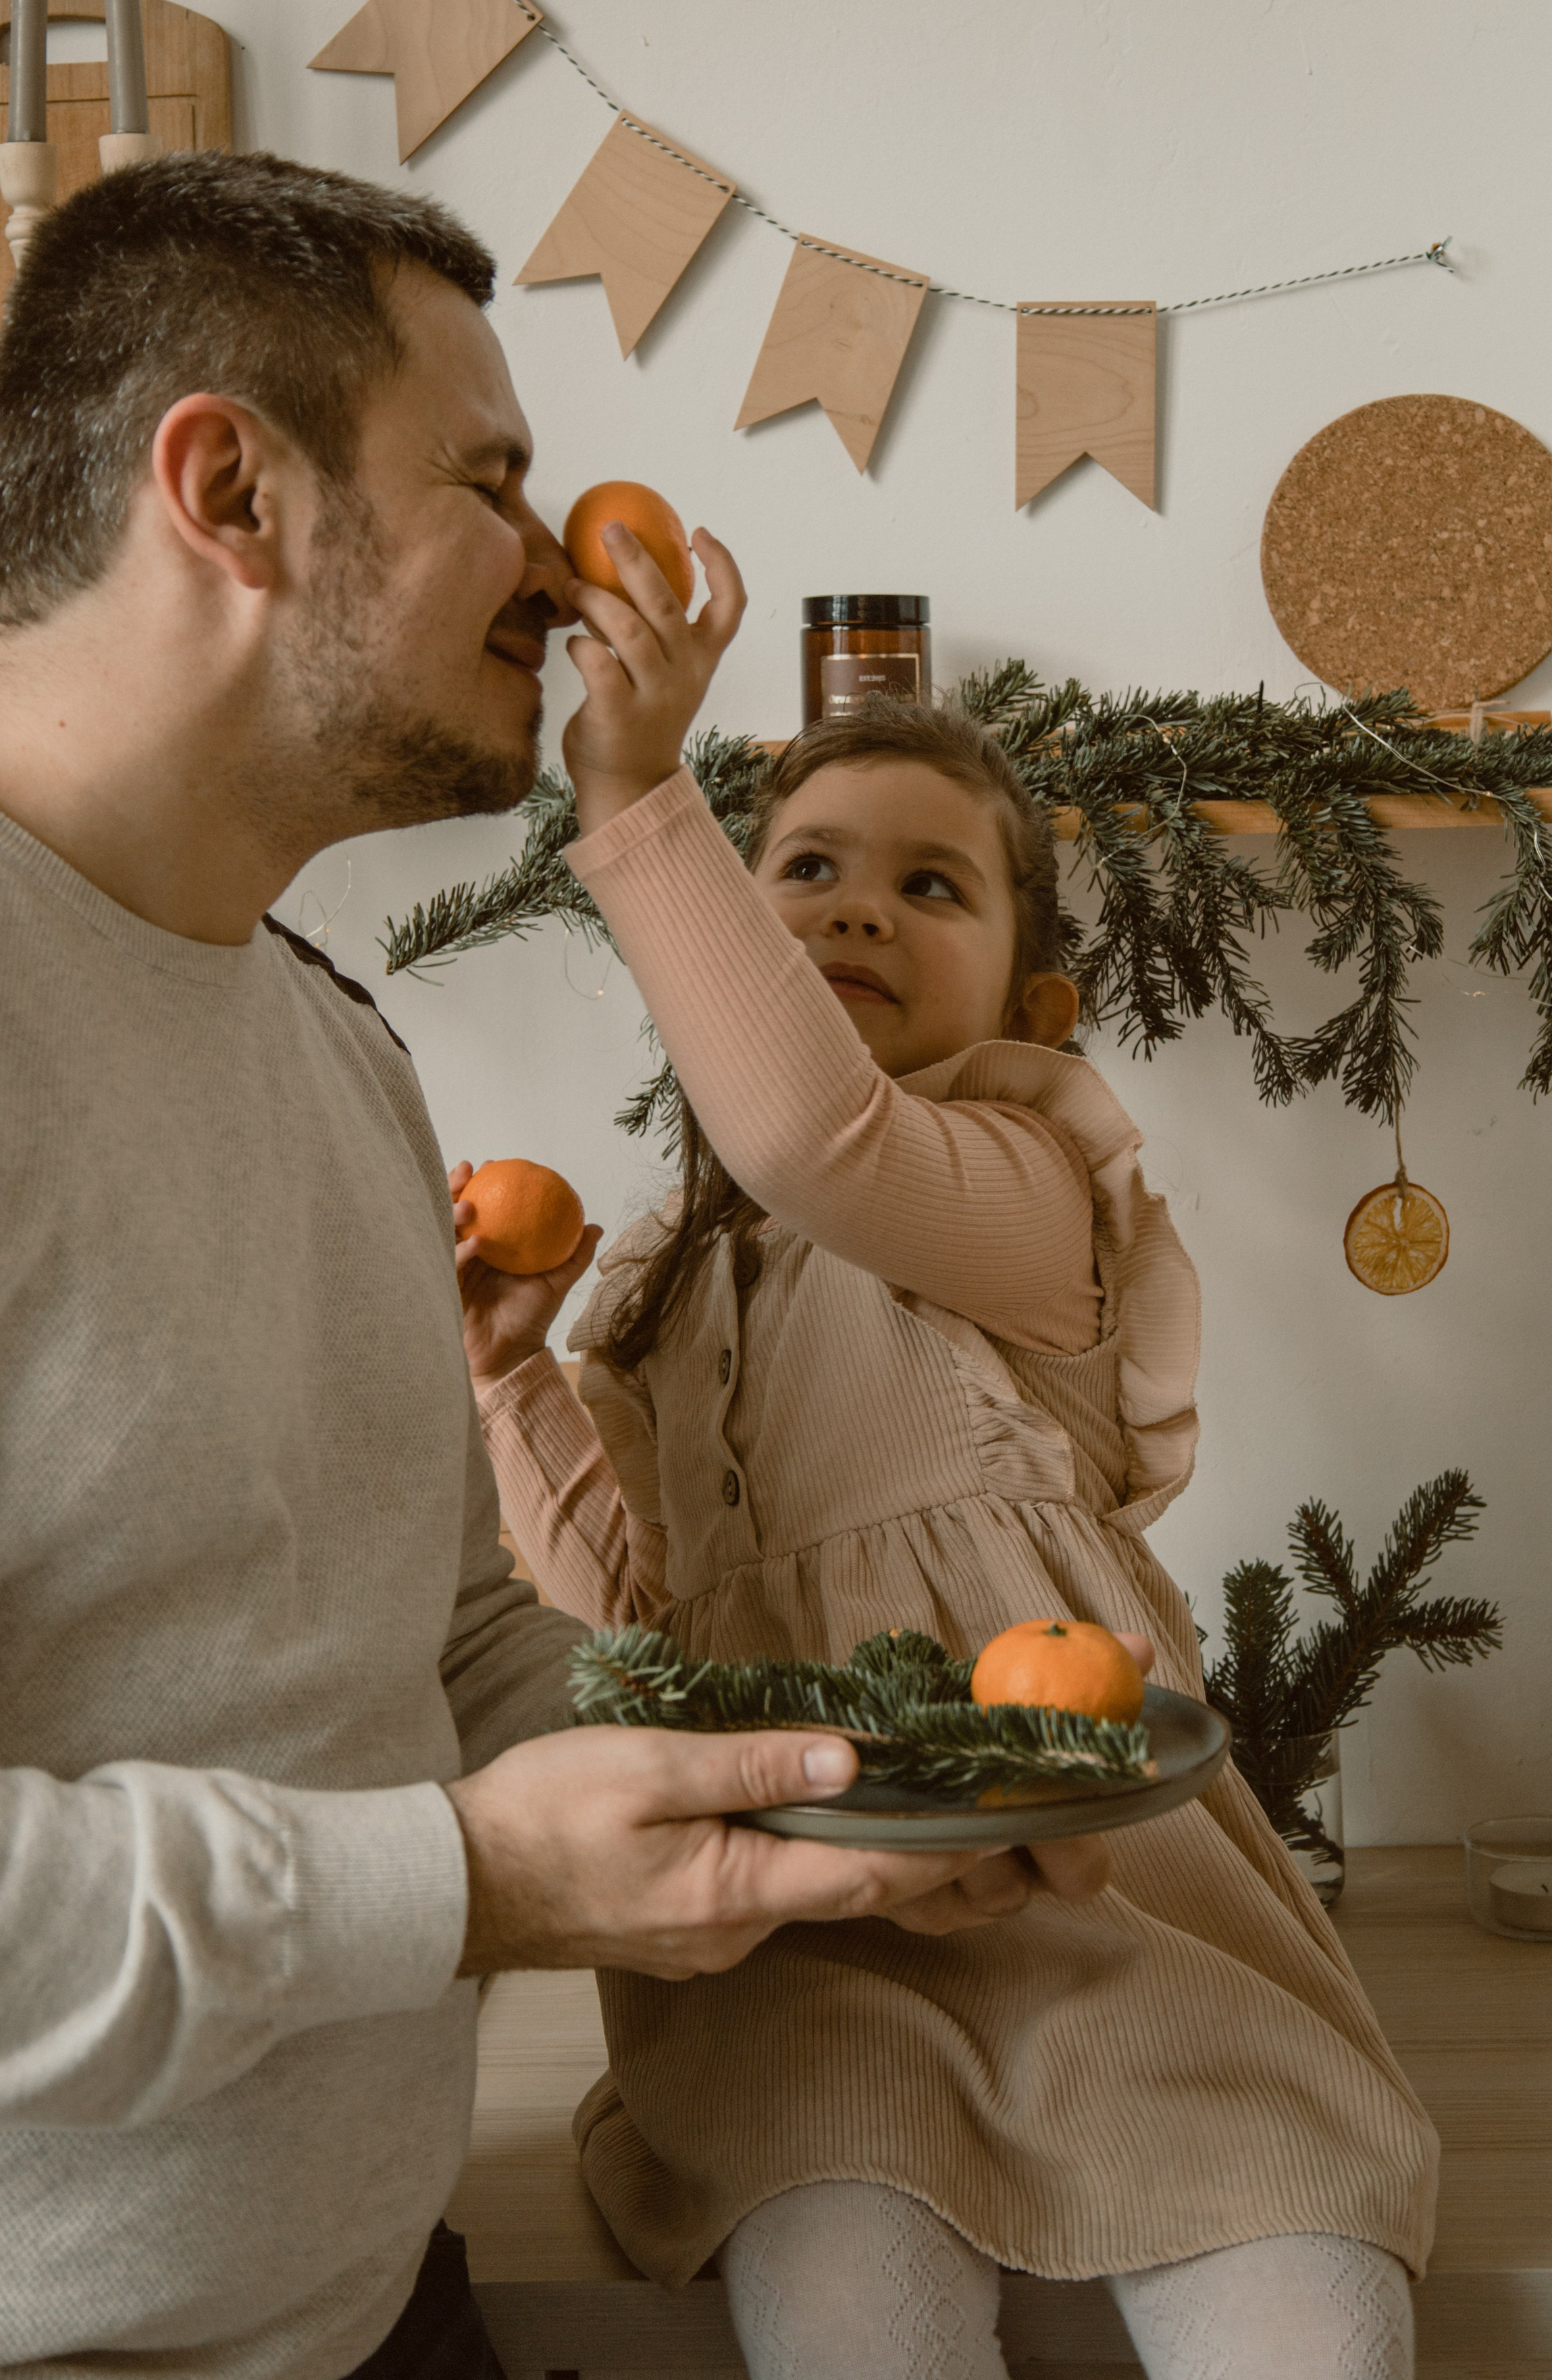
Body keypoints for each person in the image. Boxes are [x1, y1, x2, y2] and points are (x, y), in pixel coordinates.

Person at [0, 151, 1120, 2380]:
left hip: (370, 2307)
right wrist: (471, 1885)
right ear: (228, 486)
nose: (557, 564)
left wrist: (833, 1788)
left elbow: (441, 1650)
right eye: (492, 481)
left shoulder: (333, 1036)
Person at [461, 635, 1441, 2374]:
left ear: (1029, 1002)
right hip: (801, 1952)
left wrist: (632, 793)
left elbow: (811, 1139)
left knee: (1286, 2246)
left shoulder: (1011, 1179)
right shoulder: (665, 1283)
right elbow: (620, 1620)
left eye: (928, 885)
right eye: (805, 873)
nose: (850, 915)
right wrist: (509, 1371)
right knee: (838, 2276)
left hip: (1101, 1913)